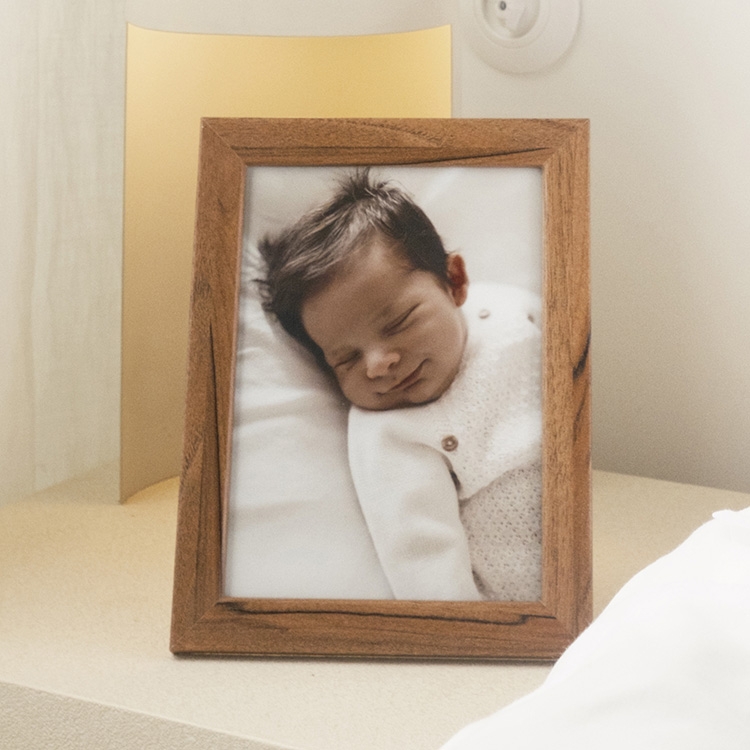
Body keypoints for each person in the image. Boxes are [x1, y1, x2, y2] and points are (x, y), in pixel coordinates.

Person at [258, 169, 542, 601]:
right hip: (518, 602)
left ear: (455, 282)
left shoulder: (512, 309)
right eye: (347, 358)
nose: (377, 364)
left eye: (399, 322)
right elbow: (423, 556)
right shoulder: (388, 431)